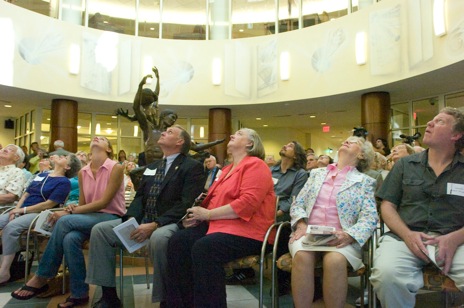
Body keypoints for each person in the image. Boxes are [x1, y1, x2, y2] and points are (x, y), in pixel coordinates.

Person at [86, 125, 205, 308]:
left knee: (159, 238)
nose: (164, 132)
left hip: (169, 223)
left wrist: (156, 224)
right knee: (101, 231)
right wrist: (129, 221)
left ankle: (166, 300)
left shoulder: (192, 167)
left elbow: (185, 203)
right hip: (142, 222)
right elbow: (139, 197)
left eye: (170, 132)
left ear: (180, 142)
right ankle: (109, 296)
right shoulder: (152, 167)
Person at [165, 128, 276, 308]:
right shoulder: (226, 170)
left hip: (249, 231)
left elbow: (247, 203)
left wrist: (207, 214)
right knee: (178, 241)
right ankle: (183, 304)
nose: (232, 135)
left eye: (239, 134)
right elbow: (213, 202)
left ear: (250, 143)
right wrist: (197, 216)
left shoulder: (256, 165)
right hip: (219, 226)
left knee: (205, 248)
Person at [12, 136, 126, 308]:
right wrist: (73, 209)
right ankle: (79, 293)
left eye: (101, 138)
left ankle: (43, 275)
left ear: (108, 149)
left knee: (64, 222)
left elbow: (104, 202)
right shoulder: (83, 172)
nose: (96, 138)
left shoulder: (116, 168)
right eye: (95, 137)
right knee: (70, 238)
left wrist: (68, 213)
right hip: (88, 218)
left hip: (110, 216)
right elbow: (83, 203)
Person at [370, 108, 464, 307]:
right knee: (386, 275)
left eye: (440, 122)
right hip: (404, 238)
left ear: (456, 135)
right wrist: (407, 234)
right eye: (432, 119)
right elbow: (387, 206)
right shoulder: (404, 165)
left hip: (455, 240)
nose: (429, 123)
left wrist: (456, 238)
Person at [289, 136, 378, 307]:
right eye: (347, 140)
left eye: (354, 142)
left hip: (342, 236)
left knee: (335, 260)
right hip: (308, 233)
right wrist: (301, 224)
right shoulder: (316, 174)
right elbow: (298, 203)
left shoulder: (365, 182)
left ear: (362, 155)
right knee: (302, 256)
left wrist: (349, 235)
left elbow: (369, 217)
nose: (347, 141)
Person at [0, 153, 81, 285]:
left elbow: (49, 203)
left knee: (11, 227)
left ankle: (4, 272)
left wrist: (23, 210)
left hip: (39, 214)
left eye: (64, 158)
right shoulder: (41, 175)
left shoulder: (63, 182)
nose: (60, 156)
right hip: (22, 210)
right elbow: (26, 194)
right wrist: (16, 210)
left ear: (67, 167)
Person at [271, 141, 308, 296]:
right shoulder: (271, 170)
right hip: (267, 212)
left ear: (297, 154)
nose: (285, 146)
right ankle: (247, 272)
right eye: (285, 144)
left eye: (290, 146)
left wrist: (277, 212)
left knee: (282, 231)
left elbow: (295, 199)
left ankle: (283, 280)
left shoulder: (300, 173)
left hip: (285, 215)